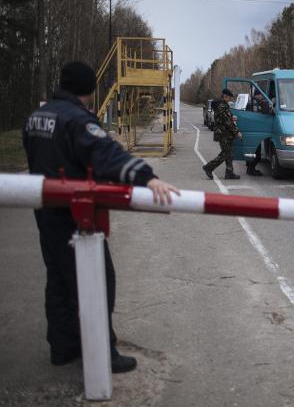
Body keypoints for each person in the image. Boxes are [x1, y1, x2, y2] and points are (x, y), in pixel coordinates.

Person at [22, 61, 180, 373]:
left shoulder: (36, 117)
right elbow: (105, 153)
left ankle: (63, 347)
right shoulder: (77, 120)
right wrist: (145, 176)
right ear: (89, 89)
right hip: (74, 215)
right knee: (97, 279)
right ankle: (102, 354)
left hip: (44, 210)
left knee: (58, 279)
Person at [202, 89, 242, 180]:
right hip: (224, 134)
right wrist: (237, 132)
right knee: (225, 153)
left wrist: (232, 117)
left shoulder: (223, 105)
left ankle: (229, 172)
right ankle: (208, 167)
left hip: (225, 133)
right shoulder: (222, 106)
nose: (230, 99)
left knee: (229, 153)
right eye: (229, 98)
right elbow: (228, 122)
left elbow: (227, 118)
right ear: (225, 96)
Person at [245, 91, 270, 176]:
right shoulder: (256, 103)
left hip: (252, 130)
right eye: (261, 95)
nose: (262, 97)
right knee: (256, 153)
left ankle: (250, 168)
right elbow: (265, 112)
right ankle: (250, 169)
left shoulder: (252, 102)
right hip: (254, 131)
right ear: (257, 95)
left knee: (253, 152)